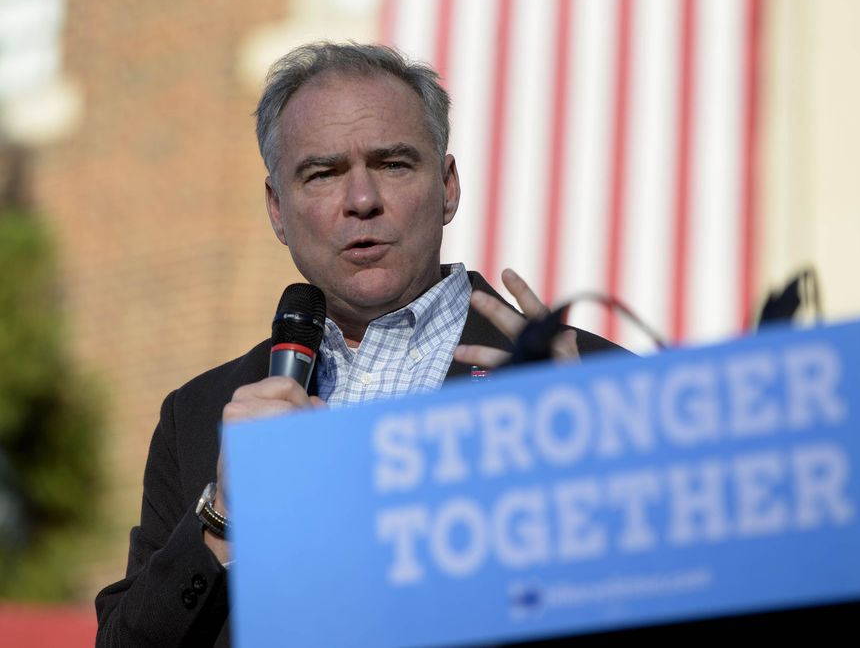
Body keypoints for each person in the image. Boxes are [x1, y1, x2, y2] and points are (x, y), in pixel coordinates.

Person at [94, 42, 622, 647]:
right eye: (322, 174)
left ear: (448, 187)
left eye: (394, 164)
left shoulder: (592, 382)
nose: (362, 201)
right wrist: (223, 520)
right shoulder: (199, 415)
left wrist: (601, 472)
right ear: (277, 210)